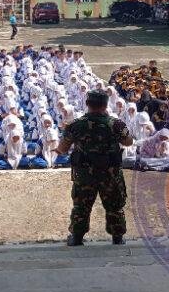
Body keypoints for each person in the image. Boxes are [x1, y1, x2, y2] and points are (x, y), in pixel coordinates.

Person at [54, 90, 134, 246]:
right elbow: (128, 142)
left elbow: (63, 149)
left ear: (87, 103)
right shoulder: (116, 124)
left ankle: (77, 238)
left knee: (81, 206)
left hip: (85, 174)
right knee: (114, 205)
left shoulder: (75, 125)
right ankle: (117, 238)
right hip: (110, 173)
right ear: (105, 105)